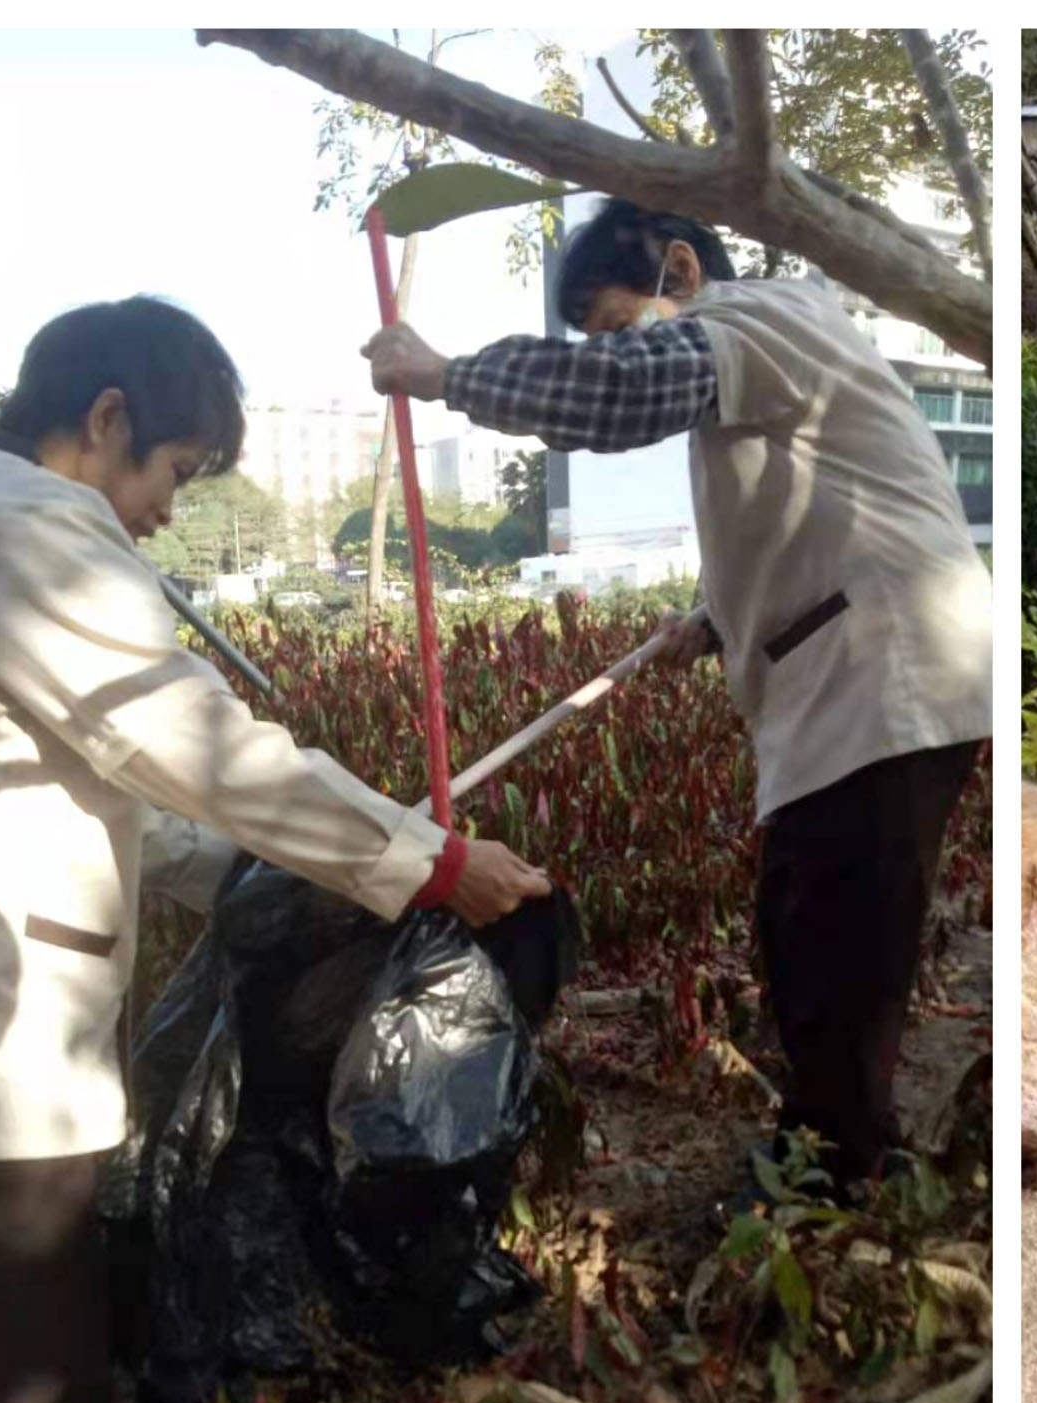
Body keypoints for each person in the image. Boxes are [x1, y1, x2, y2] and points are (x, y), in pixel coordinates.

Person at [0, 296, 553, 1403]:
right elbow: (190, 742)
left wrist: (291, 881)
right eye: (177, 471)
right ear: (105, 421)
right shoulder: (22, 524)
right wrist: (424, 860)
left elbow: (139, 807)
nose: (167, 511)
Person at [364, 200, 992, 1191]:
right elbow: (819, 509)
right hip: (859, 689)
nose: (611, 351)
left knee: (839, 950)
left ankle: (844, 1184)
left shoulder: (754, 323)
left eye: (615, 324)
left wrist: (446, 376)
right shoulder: (778, 350)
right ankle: (827, 1162)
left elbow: (620, 398)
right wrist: (708, 622)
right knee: (806, 932)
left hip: (887, 682)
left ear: (681, 271)